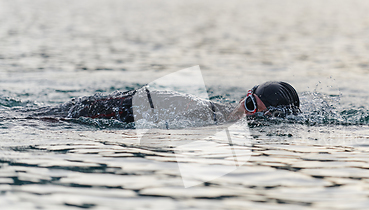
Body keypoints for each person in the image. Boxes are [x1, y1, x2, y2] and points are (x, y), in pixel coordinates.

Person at [37, 81, 300, 128]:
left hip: (136, 109)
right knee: (35, 119)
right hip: (125, 105)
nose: (245, 114)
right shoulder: (215, 117)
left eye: (255, 114)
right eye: (249, 104)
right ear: (245, 96)